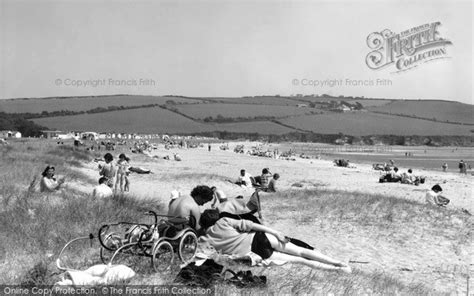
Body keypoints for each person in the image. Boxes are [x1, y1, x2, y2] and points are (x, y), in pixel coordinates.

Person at [199, 209, 351, 273]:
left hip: (255, 252)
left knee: (299, 260)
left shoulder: (204, 240)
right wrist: (275, 232)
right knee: (302, 251)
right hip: (259, 237)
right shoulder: (224, 221)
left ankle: (337, 270)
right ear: (215, 218)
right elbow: (250, 224)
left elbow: (205, 255)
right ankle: (338, 262)